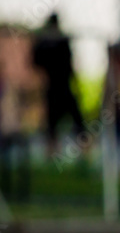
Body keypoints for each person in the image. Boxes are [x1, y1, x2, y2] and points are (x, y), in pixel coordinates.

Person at [32, 13, 85, 157]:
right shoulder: (45, 42)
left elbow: (70, 65)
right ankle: (52, 151)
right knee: (52, 123)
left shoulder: (62, 41)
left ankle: (84, 150)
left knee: (77, 120)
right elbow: (35, 61)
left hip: (64, 86)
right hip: (53, 87)